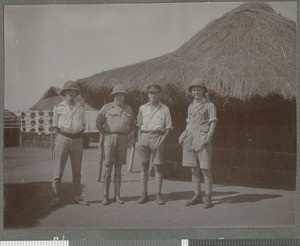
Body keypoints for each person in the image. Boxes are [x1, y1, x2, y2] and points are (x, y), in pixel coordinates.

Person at [179, 77, 217, 208]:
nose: (195, 92)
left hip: (203, 138)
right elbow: (189, 123)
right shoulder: (190, 106)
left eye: (198, 90)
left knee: (205, 169)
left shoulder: (209, 105)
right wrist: (185, 136)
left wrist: (209, 137)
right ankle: (197, 195)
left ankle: (208, 197)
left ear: (203, 91)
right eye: (193, 90)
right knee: (193, 169)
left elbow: (213, 122)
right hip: (190, 139)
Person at [50, 80, 89, 208]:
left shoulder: (81, 107)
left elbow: (83, 125)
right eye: (68, 91)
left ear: (76, 93)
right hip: (62, 138)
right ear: (65, 93)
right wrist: (60, 139)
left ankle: (77, 197)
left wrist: (77, 136)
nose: (71, 93)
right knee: (58, 171)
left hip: (77, 140)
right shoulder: (58, 107)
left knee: (77, 171)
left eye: (73, 91)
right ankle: (56, 197)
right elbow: (55, 126)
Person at [96, 84, 136, 206]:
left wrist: (126, 133)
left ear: (124, 96)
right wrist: (105, 134)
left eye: (122, 94)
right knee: (108, 168)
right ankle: (105, 195)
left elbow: (133, 123)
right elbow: (98, 122)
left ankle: (117, 195)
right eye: (117, 94)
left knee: (118, 169)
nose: (120, 97)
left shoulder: (128, 109)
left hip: (123, 139)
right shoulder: (106, 108)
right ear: (113, 96)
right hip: (110, 138)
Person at [136, 84, 172, 205]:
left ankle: (158, 194)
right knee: (144, 166)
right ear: (148, 94)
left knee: (158, 167)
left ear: (160, 94)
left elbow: (168, 128)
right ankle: (143, 194)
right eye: (151, 93)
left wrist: (161, 141)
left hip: (158, 137)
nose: (153, 95)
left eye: (156, 93)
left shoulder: (165, 109)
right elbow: (139, 126)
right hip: (144, 137)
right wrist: (139, 140)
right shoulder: (142, 108)